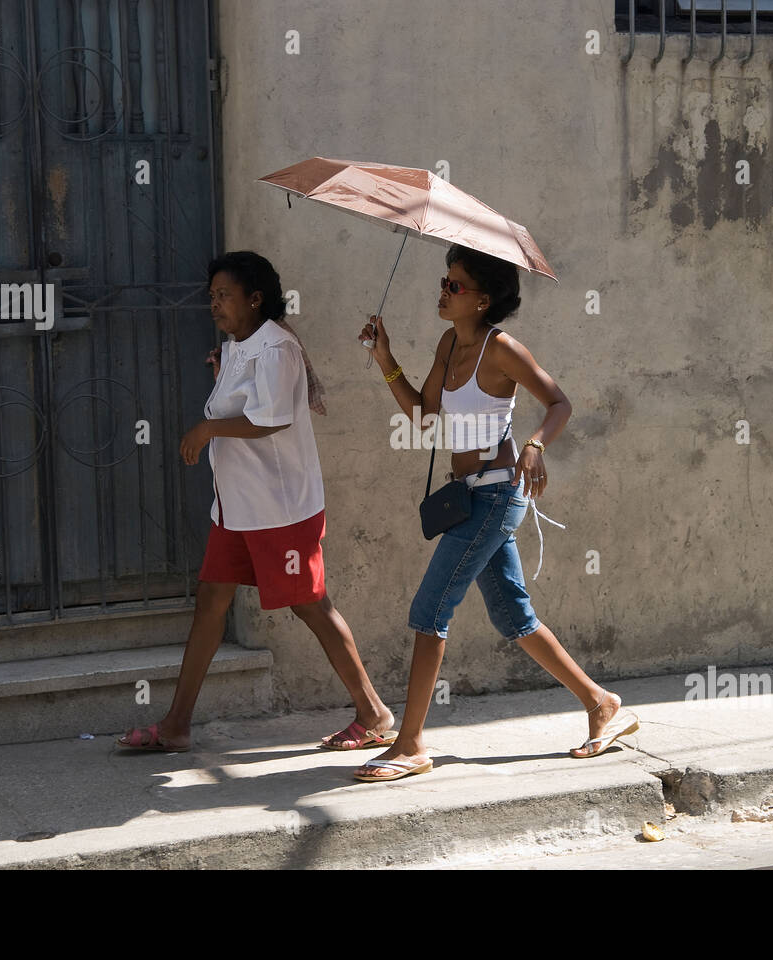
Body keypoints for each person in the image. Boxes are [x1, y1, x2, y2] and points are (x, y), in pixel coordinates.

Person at [351, 245, 638, 781]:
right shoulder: (448, 343)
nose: (443, 290)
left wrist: (536, 445)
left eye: (454, 286)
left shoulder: (501, 350)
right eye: (444, 281)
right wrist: (384, 358)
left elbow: (559, 402)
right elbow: (423, 416)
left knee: (430, 607)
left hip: (496, 495)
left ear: (482, 300)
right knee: (513, 618)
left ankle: (410, 743)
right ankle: (601, 703)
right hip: (468, 494)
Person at [118, 251, 396, 753]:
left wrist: (207, 429)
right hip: (237, 508)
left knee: (310, 603)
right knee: (210, 604)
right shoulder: (242, 346)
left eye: (224, 296)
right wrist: (226, 372)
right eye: (212, 296)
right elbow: (251, 400)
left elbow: (270, 419)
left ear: (255, 298)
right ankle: (177, 725)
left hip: (279, 510)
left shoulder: (275, 349)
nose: (214, 305)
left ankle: (373, 711)